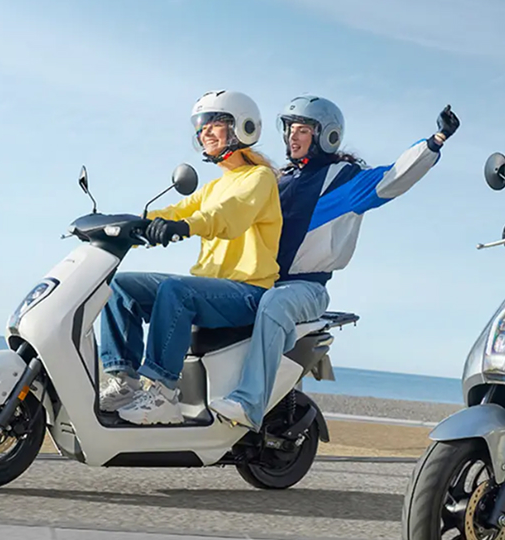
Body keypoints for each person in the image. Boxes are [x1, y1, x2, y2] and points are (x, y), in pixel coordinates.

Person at [205, 96, 459, 430]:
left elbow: (395, 176)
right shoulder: (278, 180)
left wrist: (435, 141)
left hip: (304, 288)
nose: (292, 137)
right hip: (261, 283)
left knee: (275, 303)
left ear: (327, 135)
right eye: (289, 130)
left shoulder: (344, 180)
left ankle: (249, 403)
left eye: (302, 130)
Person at [96, 89, 283, 425]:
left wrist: (185, 227)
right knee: (120, 286)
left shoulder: (259, 179)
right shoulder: (213, 187)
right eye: (201, 126)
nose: (205, 132)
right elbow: (174, 211)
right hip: (212, 288)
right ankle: (124, 382)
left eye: (215, 123)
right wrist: (124, 227)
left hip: (248, 292)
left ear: (242, 127)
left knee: (177, 291)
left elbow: (228, 215)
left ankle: (164, 394)